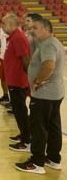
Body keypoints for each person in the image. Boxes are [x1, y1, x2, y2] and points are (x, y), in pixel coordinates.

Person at [15, 18, 64, 174]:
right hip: (55, 93)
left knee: (39, 128)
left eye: (35, 28)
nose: (32, 30)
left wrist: (37, 81)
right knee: (53, 126)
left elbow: (49, 65)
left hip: (45, 95)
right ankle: (53, 159)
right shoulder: (53, 42)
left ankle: (36, 162)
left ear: (46, 30)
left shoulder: (48, 44)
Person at [1, 14, 31, 152]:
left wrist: (29, 78)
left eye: (4, 24)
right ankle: (24, 135)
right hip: (14, 80)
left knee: (20, 111)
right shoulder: (13, 37)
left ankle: (26, 140)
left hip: (18, 81)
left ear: (12, 24)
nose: (2, 26)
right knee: (18, 111)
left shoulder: (18, 37)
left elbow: (25, 59)